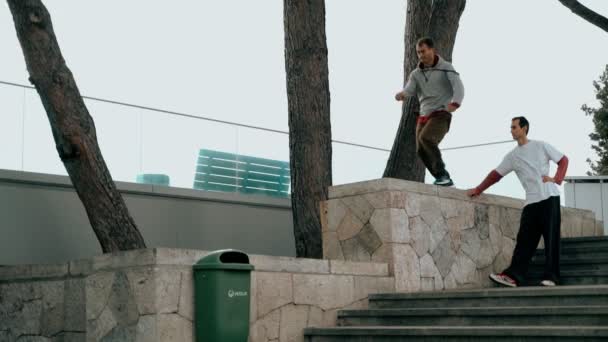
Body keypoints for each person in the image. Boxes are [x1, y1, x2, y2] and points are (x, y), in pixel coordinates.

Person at [467, 116, 569, 287]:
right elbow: (496, 175)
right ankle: (514, 276)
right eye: (511, 127)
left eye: (514, 127)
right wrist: (478, 189)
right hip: (531, 202)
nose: (511, 130)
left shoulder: (541, 145)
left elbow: (563, 160)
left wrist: (557, 179)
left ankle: (552, 277)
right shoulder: (512, 156)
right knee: (524, 240)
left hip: (549, 196)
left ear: (524, 128)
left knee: (551, 239)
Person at [395, 37, 464, 186]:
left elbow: (458, 86)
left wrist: (455, 103)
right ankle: (441, 177)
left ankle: (443, 173)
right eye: (418, 53)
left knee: (426, 138)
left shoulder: (446, 67)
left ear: (432, 50)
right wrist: (403, 94)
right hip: (424, 115)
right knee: (420, 149)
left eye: (423, 51)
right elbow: (410, 89)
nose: (421, 55)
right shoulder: (416, 74)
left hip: (441, 113)